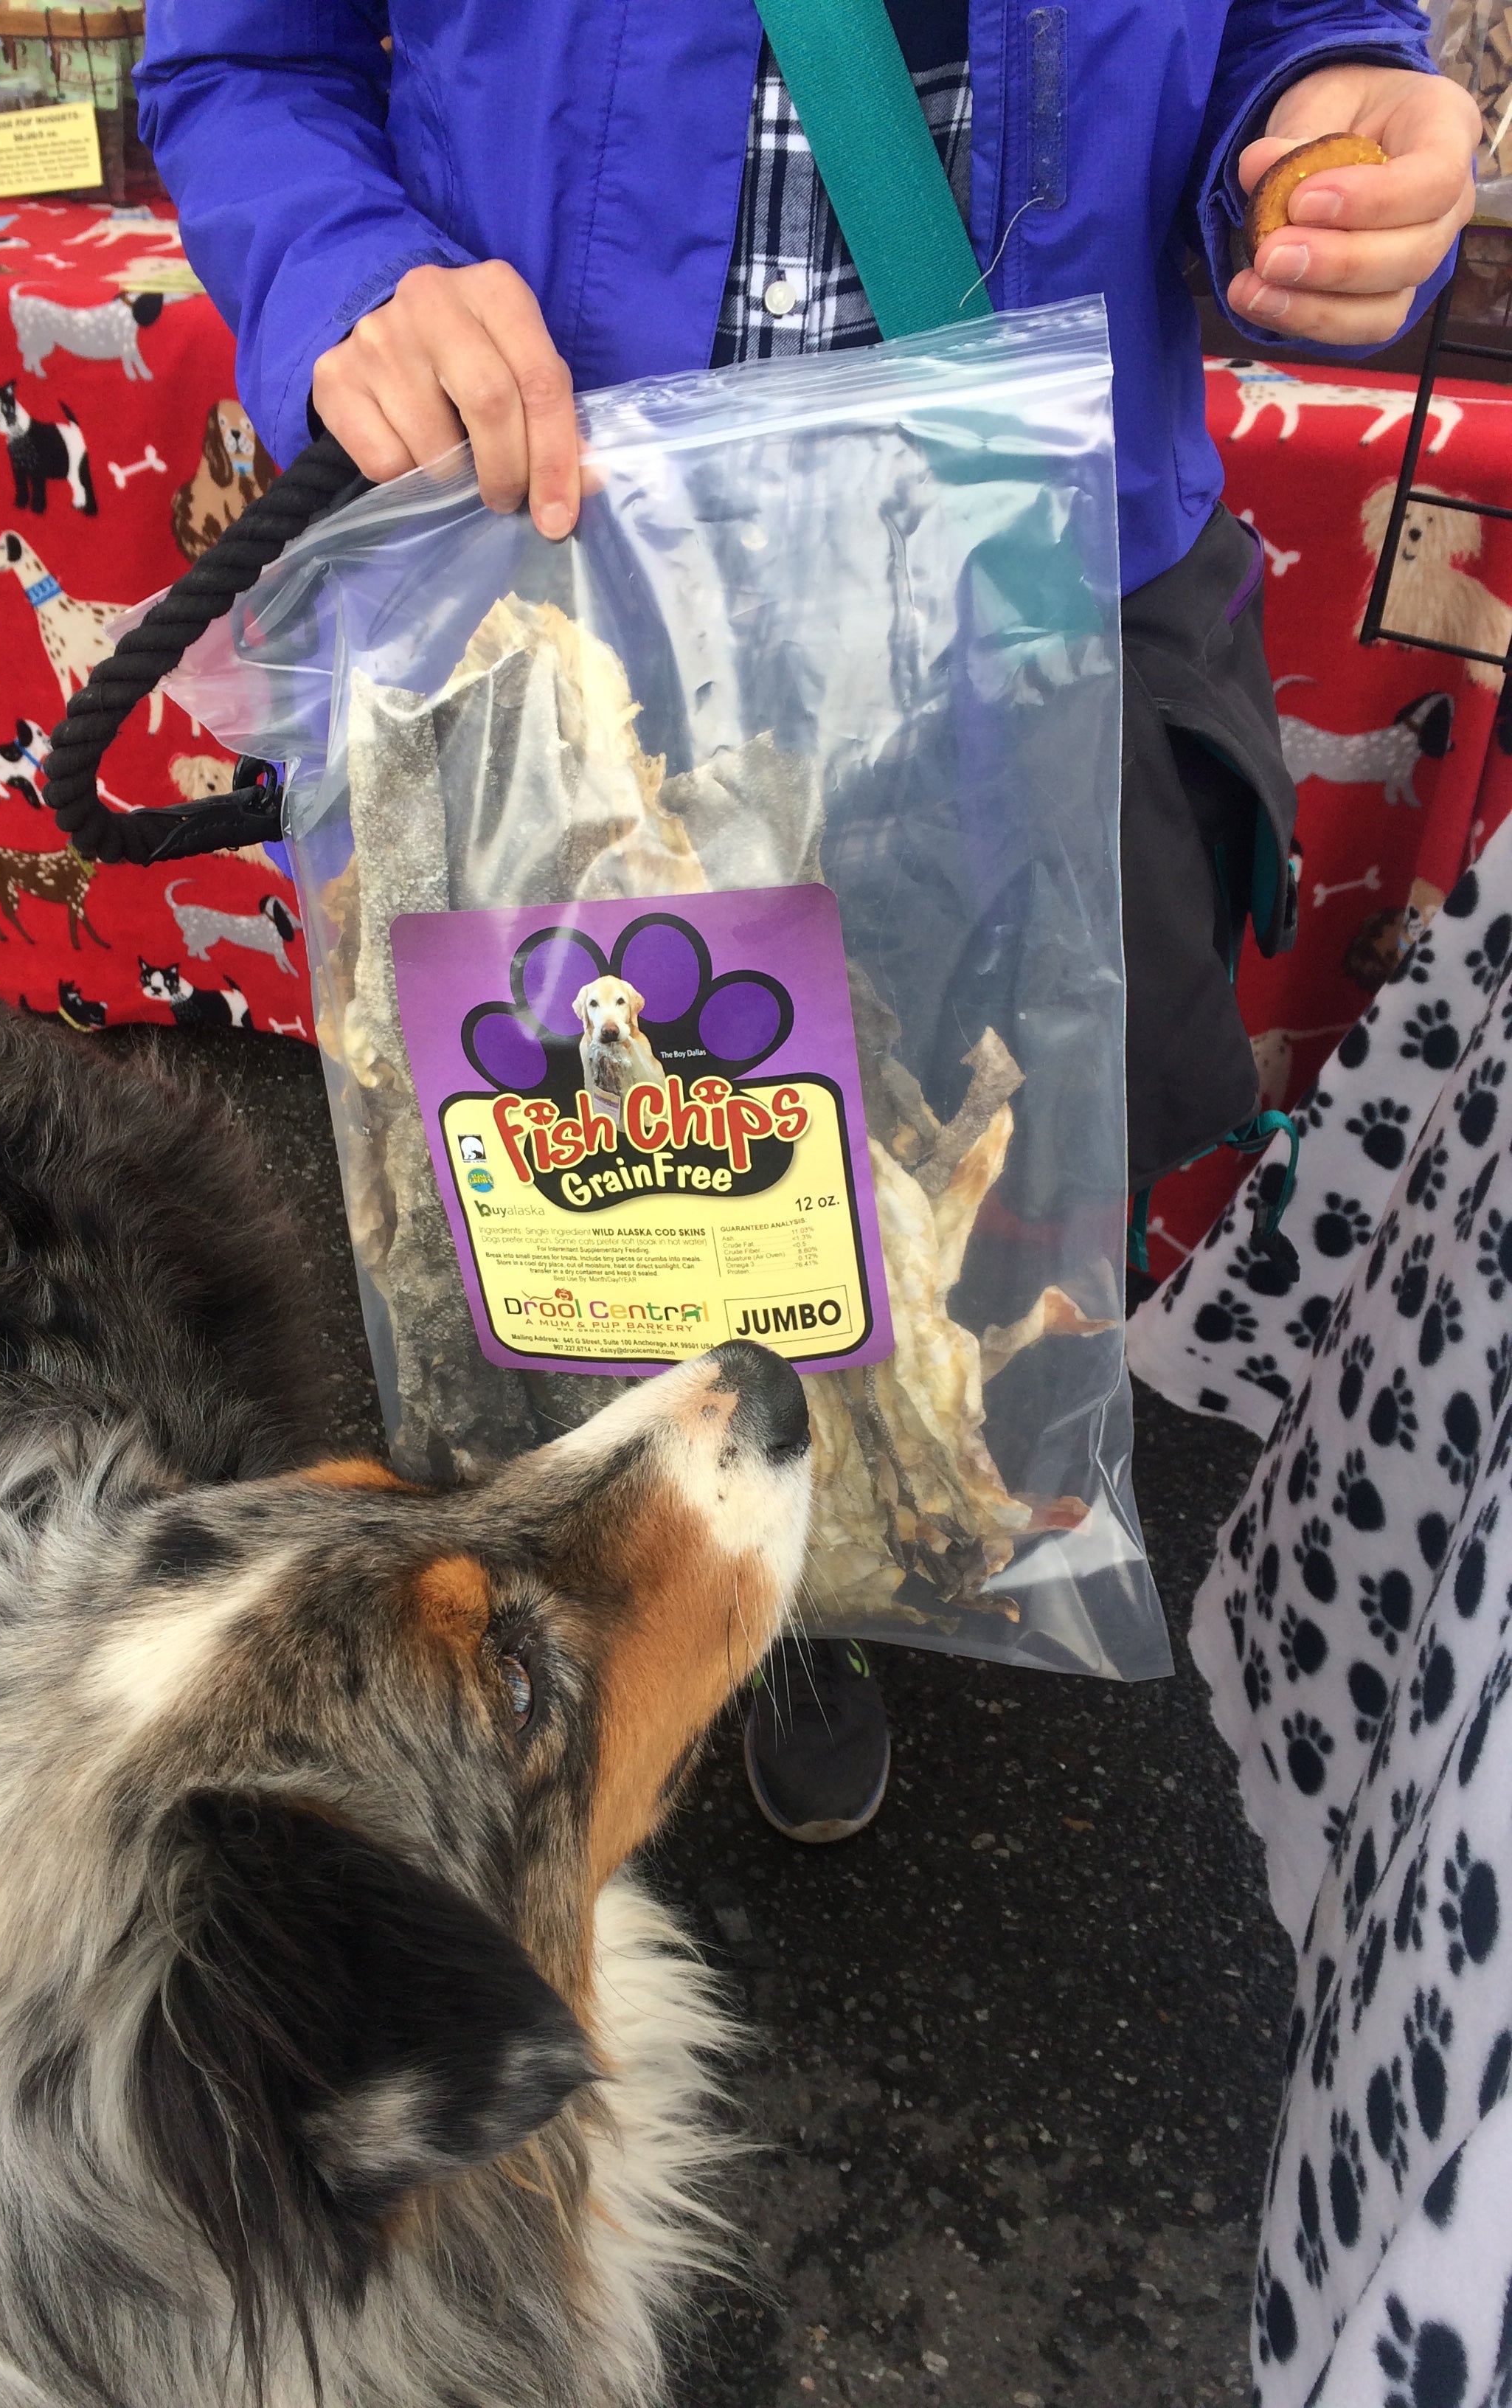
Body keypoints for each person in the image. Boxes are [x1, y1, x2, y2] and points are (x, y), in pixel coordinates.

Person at [138, 2, 1480, 1842]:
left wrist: (1329, 125)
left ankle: (885, 1523)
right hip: (566, 569)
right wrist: (356, 271)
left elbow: (1302, 29)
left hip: (1022, 575)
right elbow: (242, 58)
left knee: (977, 1177)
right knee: (600, 1185)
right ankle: (711, 1558)